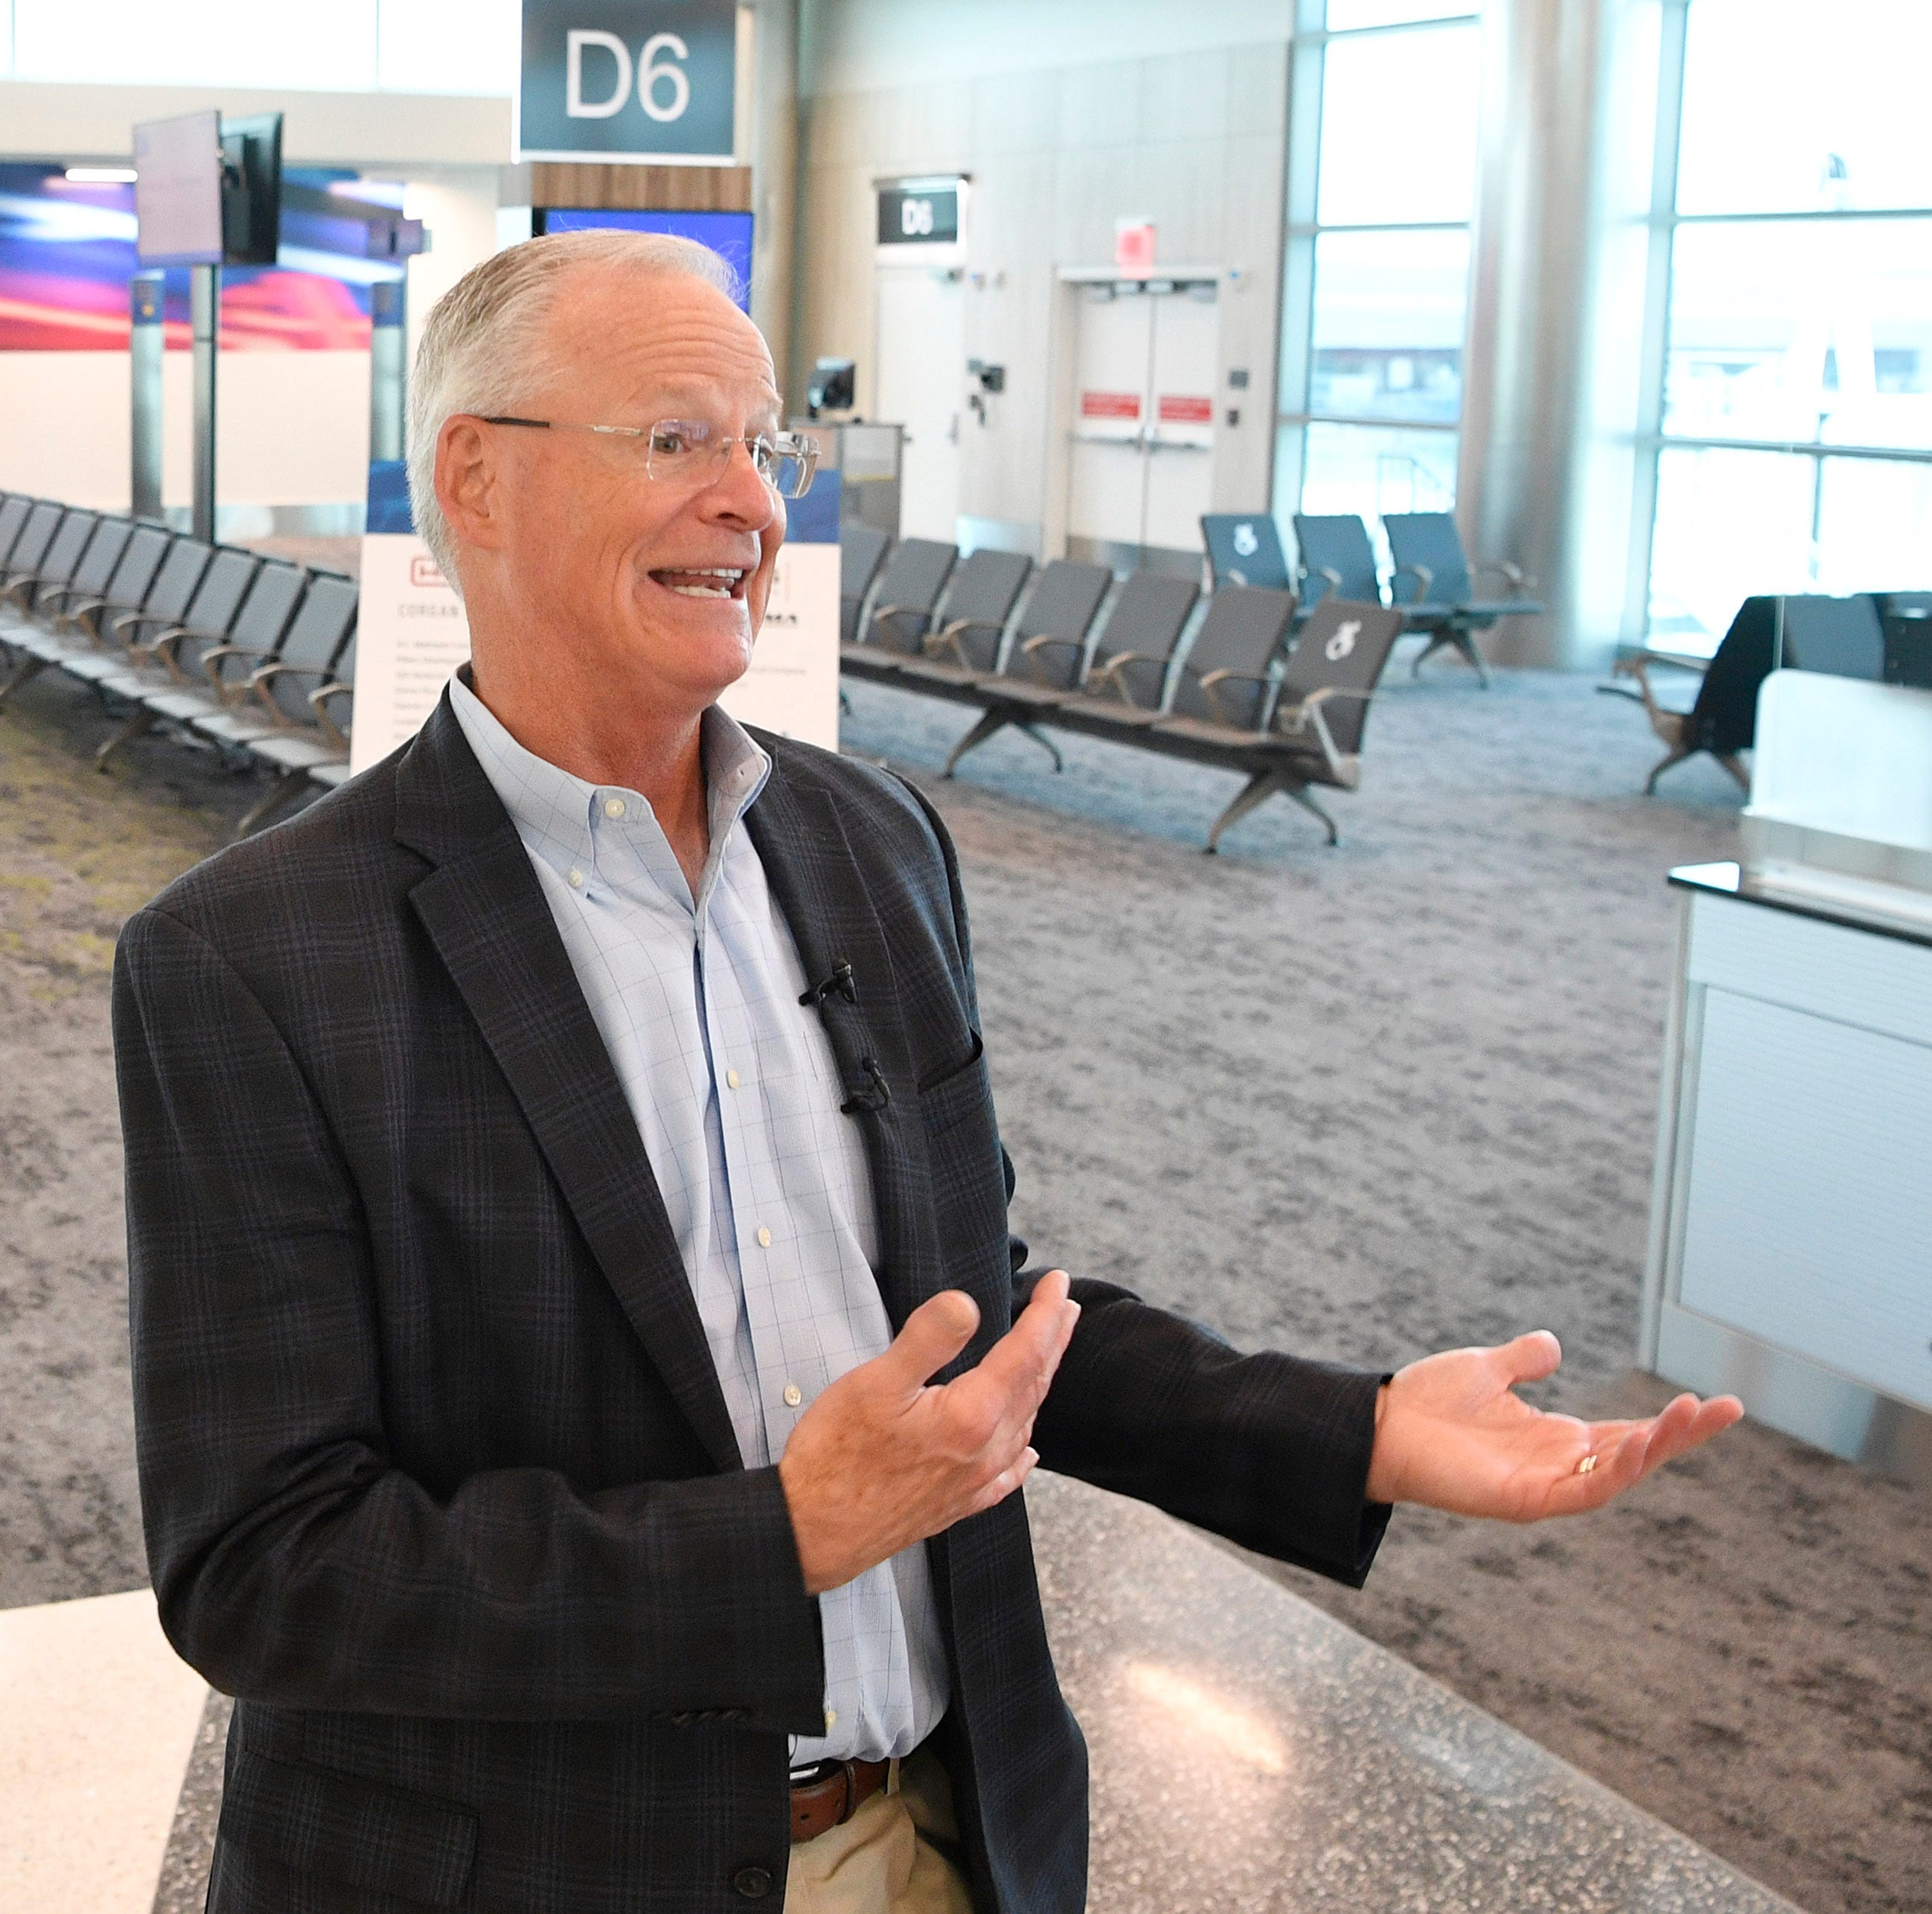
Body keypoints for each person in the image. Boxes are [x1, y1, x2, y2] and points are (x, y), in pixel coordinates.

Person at [110, 229, 1739, 1914]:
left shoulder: (868, 840)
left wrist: (1357, 1429)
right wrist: (781, 1541)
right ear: (478, 480)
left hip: (942, 1840)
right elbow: (264, 1568)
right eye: (678, 438)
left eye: (764, 442)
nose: (752, 502)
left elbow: (974, 1314)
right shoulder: (255, 959)